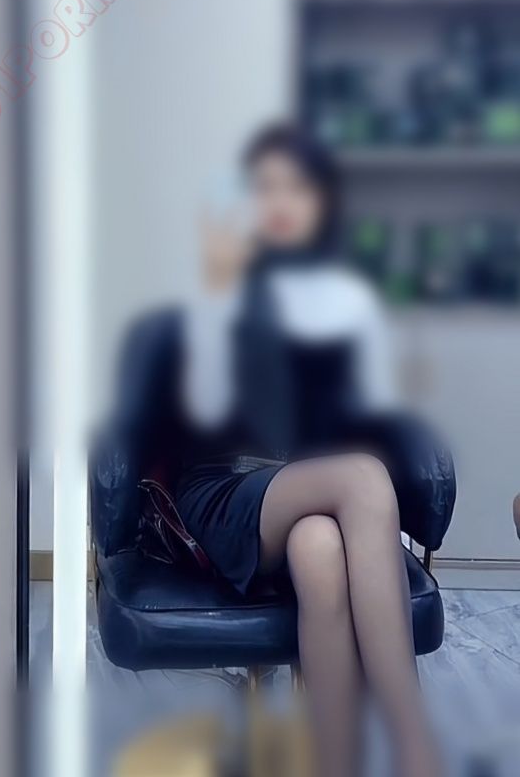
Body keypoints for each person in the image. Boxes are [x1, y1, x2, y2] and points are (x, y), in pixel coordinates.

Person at [175, 122, 442, 777]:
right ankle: (415, 748)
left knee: (319, 549)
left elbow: (362, 416)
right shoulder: (218, 284)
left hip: (310, 486)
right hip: (227, 488)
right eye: (264, 187)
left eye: (295, 187)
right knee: (362, 479)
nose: (280, 202)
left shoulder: (344, 297)